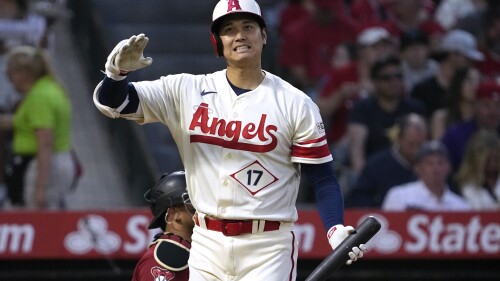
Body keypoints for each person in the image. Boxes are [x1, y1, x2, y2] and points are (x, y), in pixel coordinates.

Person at [92, 1, 365, 280]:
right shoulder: (185, 90)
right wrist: (116, 75)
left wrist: (335, 228)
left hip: (267, 246)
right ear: (217, 41)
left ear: (264, 34)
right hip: (206, 242)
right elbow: (116, 103)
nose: (239, 35)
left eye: (248, 27)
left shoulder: (296, 103)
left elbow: (322, 178)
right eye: (229, 30)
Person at [0, 45, 74, 209]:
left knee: (37, 217)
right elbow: (23, 122)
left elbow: (45, 142)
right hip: (53, 161)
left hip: (41, 164)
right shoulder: (50, 88)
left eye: (10, 73)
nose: (9, 78)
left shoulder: (39, 97)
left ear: (23, 73)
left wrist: (40, 188)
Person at [346, 55, 425, 178]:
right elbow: (357, 151)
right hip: (373, 172)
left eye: (398, 76)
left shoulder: (415, 108)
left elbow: (422, 147)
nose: (393, 82)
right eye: (386, 78)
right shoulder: (362, 108)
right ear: (375, 82)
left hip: (410, 171)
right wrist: (364, 180)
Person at [349, 113, 428, 208]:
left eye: (420, 145)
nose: (416, 151)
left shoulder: (433, 165)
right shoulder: (377, 165)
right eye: (411, 145)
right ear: (399, 139)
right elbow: (360, 198)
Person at [132, 171, 196, 281]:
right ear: (173, 214)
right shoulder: (162, 259)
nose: (201, 208)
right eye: (192, 202)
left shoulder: (200, 249)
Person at [382, 140, 470, 211]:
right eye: (429, 163)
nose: (436, 168)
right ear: (417, 168)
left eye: (440, 162)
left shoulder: (461, 205)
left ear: (449, 167)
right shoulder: (399, 196)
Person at [430, 66, 481, 140]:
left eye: (478, 81)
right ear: (458, 82)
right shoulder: (441, 118)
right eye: (470, 80)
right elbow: (439, 149)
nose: (475, 85)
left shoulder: (483, 120)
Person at [454, 130, 500, 210]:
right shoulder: (461, 186)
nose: (493, 164)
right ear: (475, 159)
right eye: (488, 160)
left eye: (496, 159)